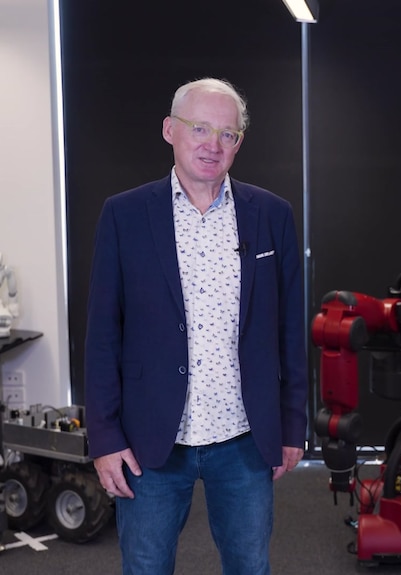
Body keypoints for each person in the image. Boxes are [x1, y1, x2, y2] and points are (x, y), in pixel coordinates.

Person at [84, 78, 308, 575]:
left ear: (239, 144)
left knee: (250, 566)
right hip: (149, 443)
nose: (213, 144)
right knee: (145, 567)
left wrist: (292, 424)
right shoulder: (124, 215)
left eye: (227, 134)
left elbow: (291, 331)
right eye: (200, 128)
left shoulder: (271, 215)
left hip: (244, 438)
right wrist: (103, 437)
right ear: (170, 130)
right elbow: (102, 335)